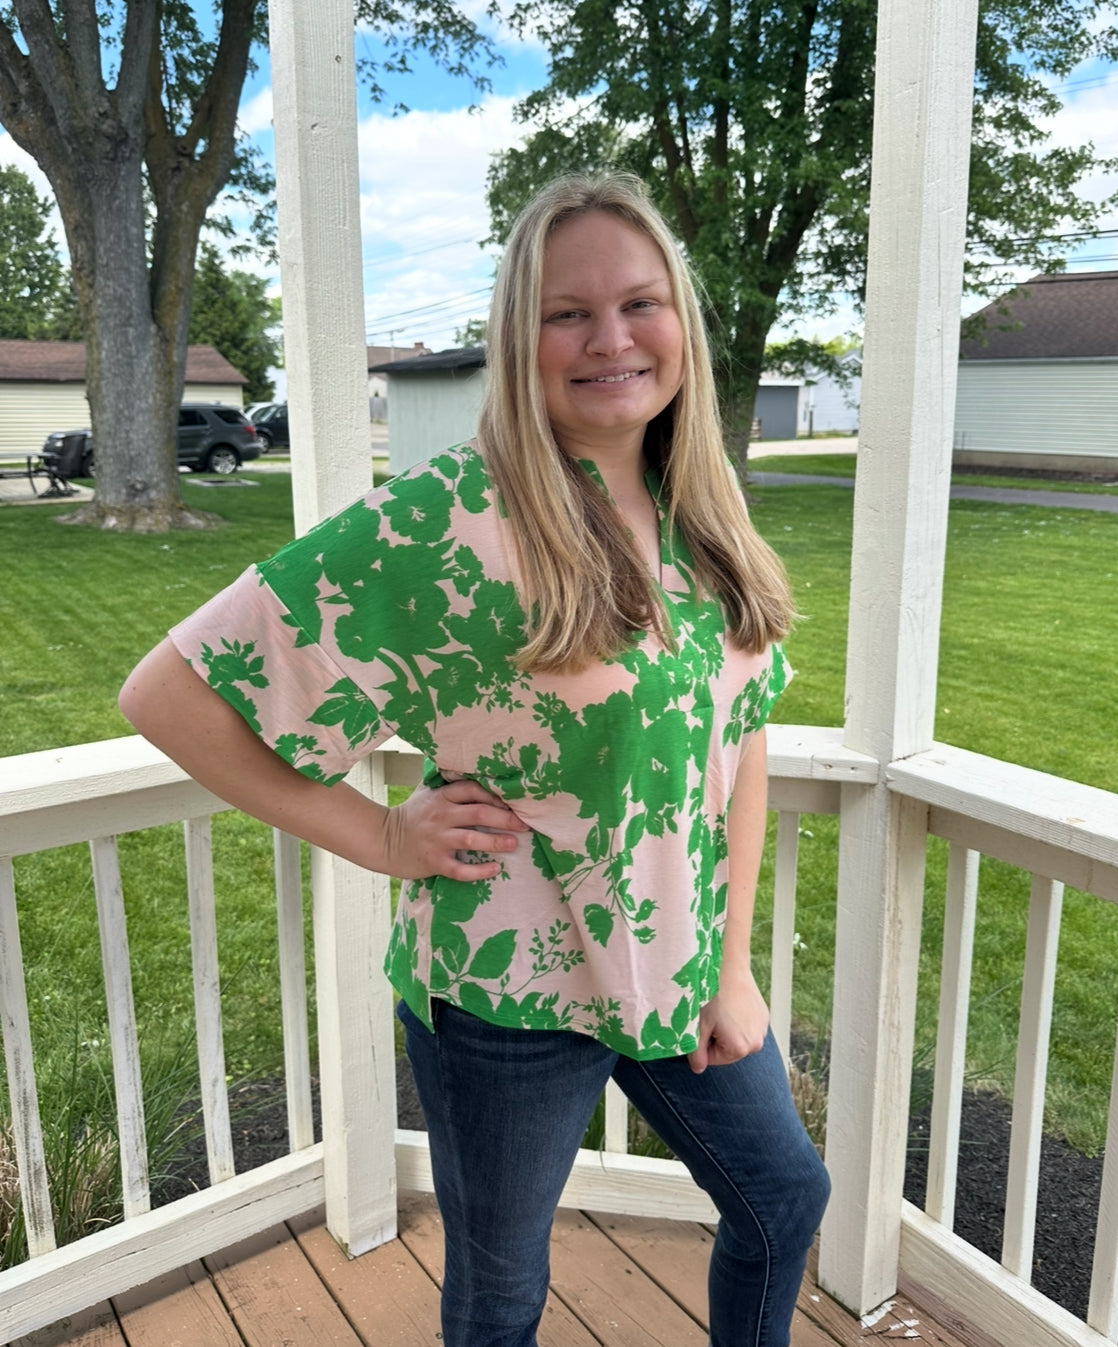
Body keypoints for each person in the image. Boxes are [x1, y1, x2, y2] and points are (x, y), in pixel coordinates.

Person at [120, 173, 829, 1347]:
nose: (611, 339)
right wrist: (384, 836)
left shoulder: (696, 505)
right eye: (568, 314)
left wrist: (734, 963)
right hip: (509, 997)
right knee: (502, 1288)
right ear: (520, 338)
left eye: (640, 303)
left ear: (682, 327)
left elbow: (740, 739)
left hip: (682, 961)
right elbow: (171, 694)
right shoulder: (443, 518)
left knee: (784, 1196)